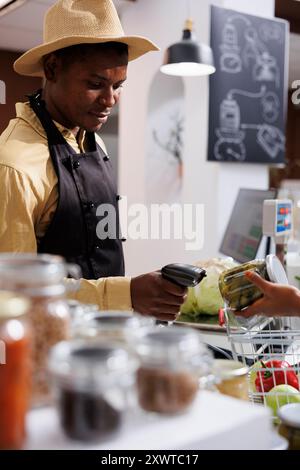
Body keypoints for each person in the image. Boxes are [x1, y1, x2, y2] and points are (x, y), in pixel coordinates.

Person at [0, 0, 187, 321]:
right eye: (95, 84)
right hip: (51, 356)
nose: (110, 100)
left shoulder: (91, 140)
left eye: (118, 86)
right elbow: (15, 292)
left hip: (105, 337)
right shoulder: (14, 165)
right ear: (52, 69)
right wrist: (124, 294)